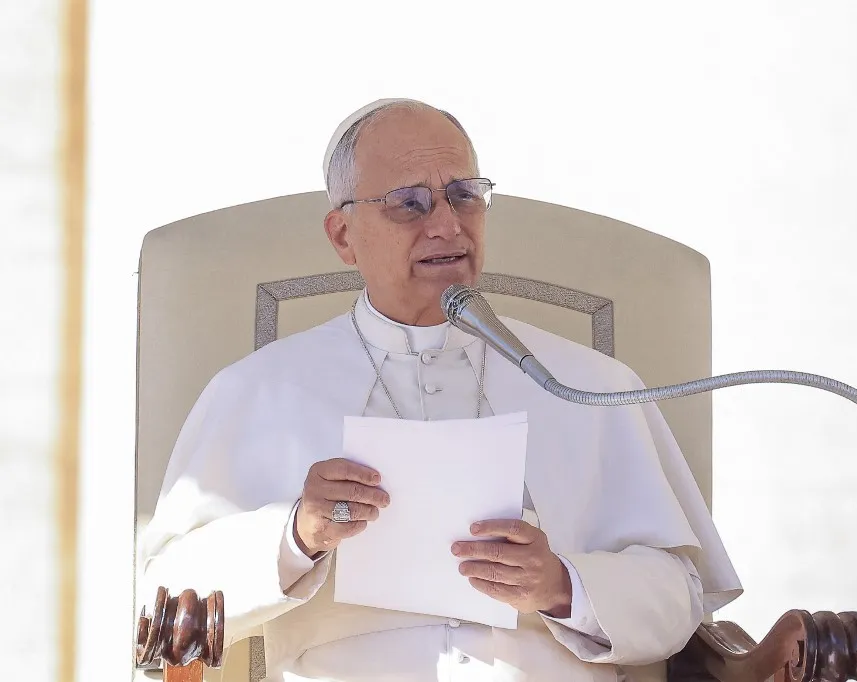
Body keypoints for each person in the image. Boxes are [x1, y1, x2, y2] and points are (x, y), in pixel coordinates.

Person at [139, 98, 743, 682]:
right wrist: (298, 534)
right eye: (409, 204)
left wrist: (562, 585)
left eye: (463, 196)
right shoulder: (260, 390)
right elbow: (162, 602)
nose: (447, 225)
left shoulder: (589, 384)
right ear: (343, 236)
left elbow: (678, 597)